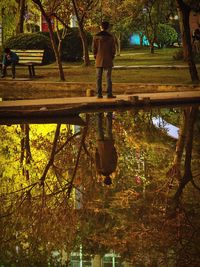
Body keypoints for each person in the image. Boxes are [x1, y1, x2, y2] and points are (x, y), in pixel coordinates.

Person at [92, 21, 116, 99]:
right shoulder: (111, 37)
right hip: (108, 59)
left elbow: (94, 49)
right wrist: (111, 57)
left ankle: (99, 94)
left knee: (98, 77)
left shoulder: (96, 37)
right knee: (108, 77)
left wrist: (96, 56)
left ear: (101, 27)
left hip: (99, 59)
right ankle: (109, 94)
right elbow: (113, 49)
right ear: (108, 27)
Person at [95, 112, 118, 185]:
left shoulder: (112, 169)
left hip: (109, 146)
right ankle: (100, 115)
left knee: (108, 130)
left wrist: (114, 149)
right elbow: (97, 159)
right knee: (100, 130)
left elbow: (115, 157)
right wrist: (96, 151)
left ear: (109, 178)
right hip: (102, 147)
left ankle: (108, 114)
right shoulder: (100, 170)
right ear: (104, 179)